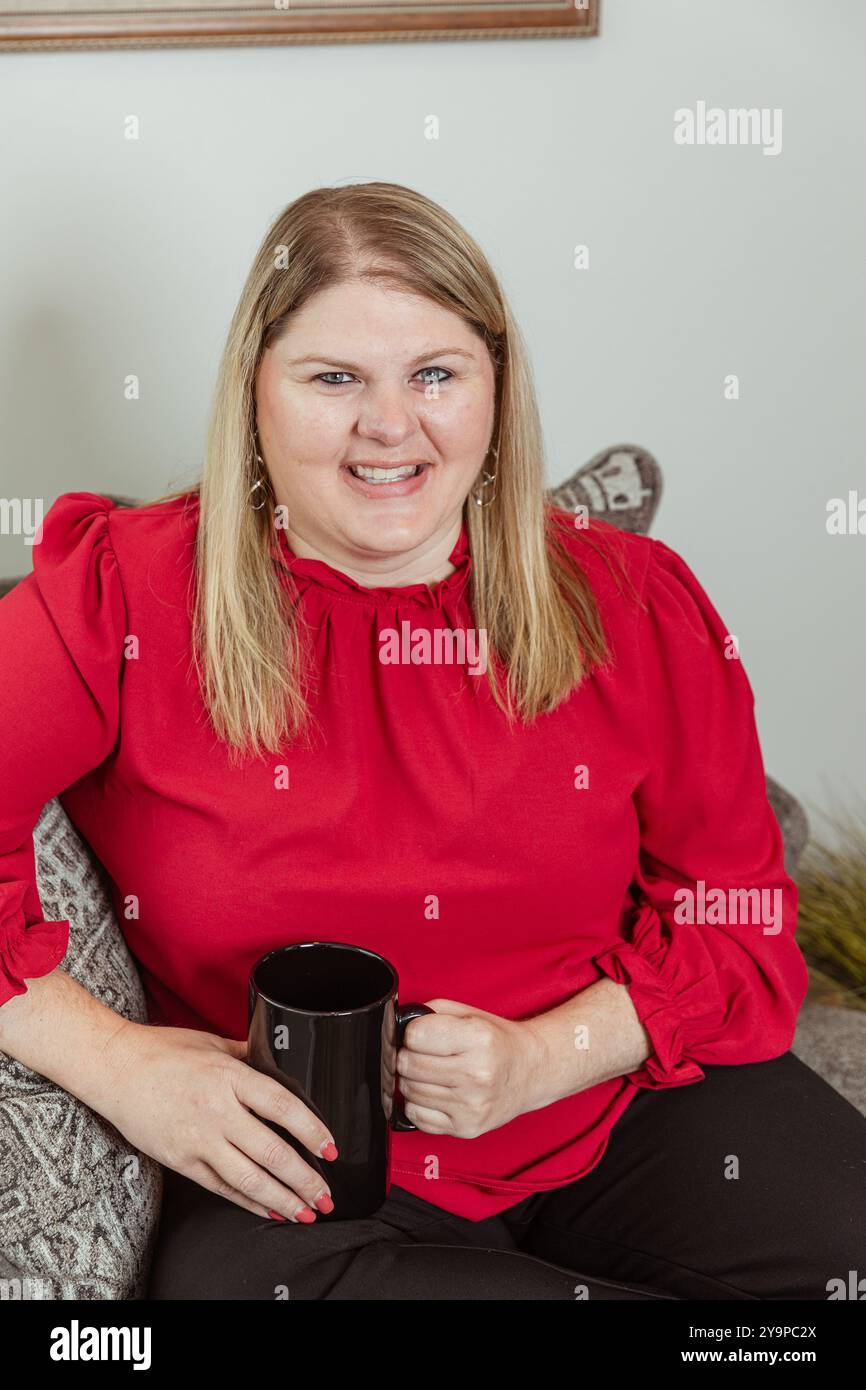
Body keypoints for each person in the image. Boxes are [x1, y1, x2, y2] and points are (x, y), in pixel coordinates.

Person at [0, 182, 863, 1302]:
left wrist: (540, 1058)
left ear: (495, 391)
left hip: (615, 1106)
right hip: (300, 1170)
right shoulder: (126, 590)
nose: (390, 426)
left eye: (435, 375)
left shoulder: (633, 600)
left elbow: (736, 922)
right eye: (332, 378)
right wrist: (115, 1063)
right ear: (253, 392)